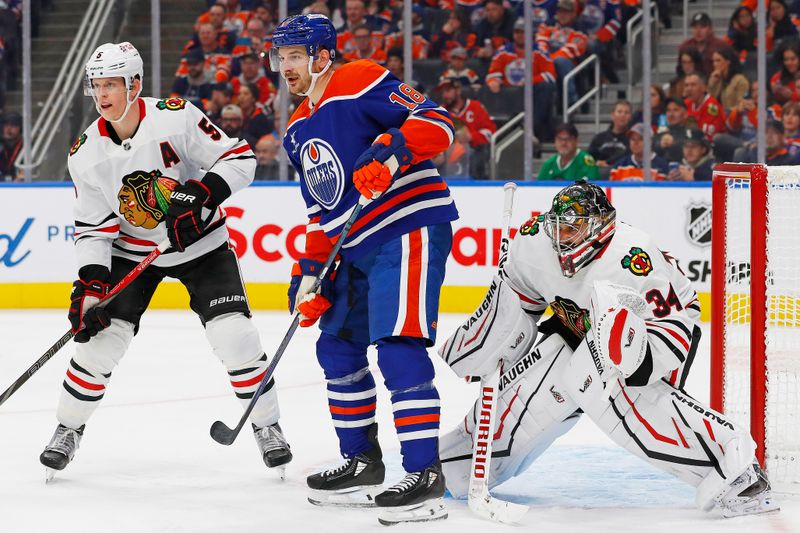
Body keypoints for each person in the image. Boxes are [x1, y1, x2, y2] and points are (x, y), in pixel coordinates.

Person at [437, 180, 778, 518]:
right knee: (526, 398)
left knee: (622, 403)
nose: (561, 237)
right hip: (577, 326)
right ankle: (454, 467)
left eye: (572, 228)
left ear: (598, 227)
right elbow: (518, 291)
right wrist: (489, 342)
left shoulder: (634, 259)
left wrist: (634, 362)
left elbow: (674, 327)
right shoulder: (534, 240)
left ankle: (737, 471)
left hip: (649, 334)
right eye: (558, 226)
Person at [39, 42, 292, 479]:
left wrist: (203, 194)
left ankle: (267, 425)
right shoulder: (85, 153)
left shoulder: (176, 116)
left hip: (202, 246)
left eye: (112, 84)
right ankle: (68, 428)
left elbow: (239, 158)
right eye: (96, 85)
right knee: (99, 345)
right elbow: (93, 228)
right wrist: (90, 284)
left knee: (236, 337)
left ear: (135, 85)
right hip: (133, 254)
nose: (102, 95)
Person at [270, 14, 459, 525]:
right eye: (280, 57)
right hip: (351, 244)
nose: (284, 67)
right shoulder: (295, 130)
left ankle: (424, 474)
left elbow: (437, 121)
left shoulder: (359, 79)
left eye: (294, 56)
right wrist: (308, 273)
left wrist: (392, 149)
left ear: (322, 55)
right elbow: (320, 211)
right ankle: (362, 461)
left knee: (398, 346)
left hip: (406, 226)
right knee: (335, 346)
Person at [437, 78, 496, 179]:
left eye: (447, 91)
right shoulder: (440, 111)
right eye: (442, 92)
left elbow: (491, 132)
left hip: (473, 153)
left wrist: (471, 137)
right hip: (447, 157)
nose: (444, 95)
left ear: (458, 91)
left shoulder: (475, 107)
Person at [588, 99, 632, 167]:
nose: (623, 115)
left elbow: (629, 156)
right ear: (613, 115)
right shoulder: (599, 138)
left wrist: (608, 162)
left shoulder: (632, 139)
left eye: (626, 113)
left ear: (630, 117)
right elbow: (588, 157)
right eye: (619, 112)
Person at [683, 72, 726, 140]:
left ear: (704, 88)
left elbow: (709, 135)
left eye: (693, 85)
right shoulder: (686, 103)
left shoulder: (712, 107)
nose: (689, 89)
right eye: (686, 85)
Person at [707, 46, 749, 112]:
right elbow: (709, 105)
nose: (714, 64)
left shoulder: (740, 80)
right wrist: (711, 85)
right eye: (713, 61)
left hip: (734, 118)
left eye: (718, 61)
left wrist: (725, 112)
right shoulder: (717, 79)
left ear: (728, 62)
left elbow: (742, 105)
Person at [655, 97, 693, 163]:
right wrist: (660, 145)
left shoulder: (692, 133)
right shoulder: (660, 133)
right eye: (668, 110)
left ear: (685, 114)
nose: (671, 114)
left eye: (676, 110)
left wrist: (673, 144)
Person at [770, 39, 800, 104]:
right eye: (786, 59)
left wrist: (792, 96)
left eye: (793, 59)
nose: (789, 63)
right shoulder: (777, 77)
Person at [0, 110, 22, 181]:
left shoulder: (26, 146)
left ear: (20, 128)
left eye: (13, 125)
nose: (8, 128)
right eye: (6, 124)